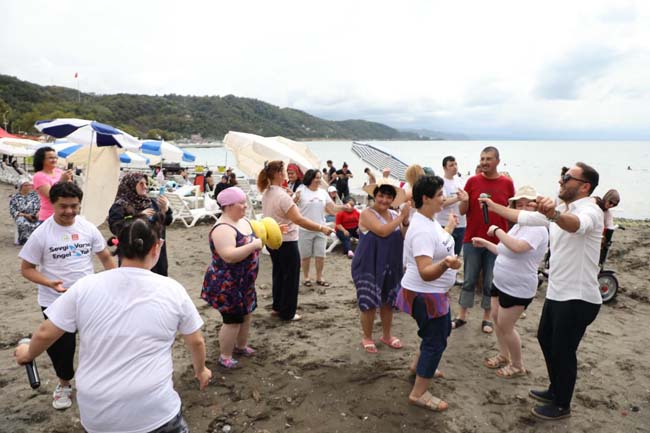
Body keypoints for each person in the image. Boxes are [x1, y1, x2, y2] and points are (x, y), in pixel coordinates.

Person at [16, 215, 211, 432]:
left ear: (118, 247)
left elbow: (46, 333)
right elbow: (196, 340)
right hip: (154, 407)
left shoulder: (85, 286)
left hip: (98, 411)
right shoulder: (172, 289)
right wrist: (201, 369)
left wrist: (28, 354)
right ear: (156, 247)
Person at [479, 162, 603, 420]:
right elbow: (523, 217)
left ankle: (562, 404)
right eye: (562, 176)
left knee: (563, 351)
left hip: (578, 297)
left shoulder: (590, 210)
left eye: (567, 177)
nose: (560, 181)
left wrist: (553, 214)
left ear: (584, 186)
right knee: (545, 339)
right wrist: (492, 205)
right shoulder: (562, 209)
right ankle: (555, 389)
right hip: (557, 293)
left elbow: (576, 225)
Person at [18, 182, 116, 410]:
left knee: (98, 343)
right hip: (55, 301)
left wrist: (116, 282)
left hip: (89, 298)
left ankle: (97, 382)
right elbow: (27, 269)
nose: (70, 211)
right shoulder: (41, 234)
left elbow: (105, 257)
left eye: (74, 206)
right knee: (61, 348)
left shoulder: (88, 228)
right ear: (52, 204)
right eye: (63, 206)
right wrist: (49, 283)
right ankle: (64, 384)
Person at [395, 175, 461, 412]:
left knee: (436, 333)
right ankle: (419, 393)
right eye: (440, 194)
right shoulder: (422, 229)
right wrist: (446, 264)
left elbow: (438, 240)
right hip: (426, 294)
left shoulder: (427, 220)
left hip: (431, 293)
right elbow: (424, 271)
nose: (444, 198)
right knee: (435, 340)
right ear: (426, 198)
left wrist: (449, 228)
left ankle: (418, 367)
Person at [471, 185, 548, 378]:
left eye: (528, 204)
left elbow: (518, 247)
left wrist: (496, 230)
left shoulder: (538, 228)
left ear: (536, 207)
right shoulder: (519, 226)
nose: (523, 208)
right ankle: (503, 355)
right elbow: (503, 250)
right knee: (497, 321)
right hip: (500, 282)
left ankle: (517, 365)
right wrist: (485, 243)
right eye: (519, 204)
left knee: (507, 327)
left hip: (518, 288)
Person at [258, 160, 334, 321]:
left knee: (279, 273)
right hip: (286, 240)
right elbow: (299, 219)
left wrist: (290, 196)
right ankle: (288, 312)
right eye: (284, 171)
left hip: (272, 239)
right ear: (279, 174)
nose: (286, 174)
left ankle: (278, 307)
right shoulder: (281, 196)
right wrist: (321, 228)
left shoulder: (267, 192)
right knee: (290, 277)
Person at [201, 187, 263, 368]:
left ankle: (241, 346)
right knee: (232, 321)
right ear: (228, 206)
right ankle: (225, 356)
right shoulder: (222, 228)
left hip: (245, 282)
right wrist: (254, 245)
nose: (245, 206)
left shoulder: (243, 221)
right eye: (241, 203)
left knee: (247, 314)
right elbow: (228, 255)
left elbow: (259, 235)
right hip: (228, 284)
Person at [455, 146, 514, 333]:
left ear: (498, 161)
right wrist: (465, 200)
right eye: (482, 159)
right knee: (469, 279)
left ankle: (487, 318)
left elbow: (511, 212)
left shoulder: (507, 184)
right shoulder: (472, 181)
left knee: (490, 281)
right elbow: (462, 211)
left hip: (496, 241)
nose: (484, 162)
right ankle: (462, 315)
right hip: (472, 238)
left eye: (489, 159)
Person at [352, 183, 410, 353]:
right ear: (375, 196)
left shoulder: (394, 215)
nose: (384, 200)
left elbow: (405, 235)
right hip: (368, 263)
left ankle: (387, 335)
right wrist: (402, 216)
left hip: (391, 263)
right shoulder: (367, 213)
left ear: (393, 199)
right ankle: (367, 337)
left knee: (388, 300)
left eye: (388, 197)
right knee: (369, 301)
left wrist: (405, 220)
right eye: (381, 196)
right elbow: (382, 231)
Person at [108, 173, 173, 276]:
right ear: (131, 185)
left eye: (146, 183)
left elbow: (167, 221)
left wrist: (165, 209)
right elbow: (116, 227)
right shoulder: (120, 206)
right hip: (133, 255)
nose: (145, 186)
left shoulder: (151, 203)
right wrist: (138, 217)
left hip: (155, 252)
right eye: (141, 184)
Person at [295, 169, 349, 287]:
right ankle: (306, 277)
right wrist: (294, 199)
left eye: (320, 177)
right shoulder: (301, 190)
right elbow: (293, 204)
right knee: (305, 256)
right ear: (310, 178)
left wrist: (344, 207)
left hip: (321, 229)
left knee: (320, 256)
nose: (319, 180)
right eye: (316, 177)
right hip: (305, 229)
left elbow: (332, 208)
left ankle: (319, 277)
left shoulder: (323, 193)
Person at [435, 156, 468, 256]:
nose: (455, 167)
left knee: (456, 254)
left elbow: (466, 198)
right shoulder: (441, 182)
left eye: (455, 164)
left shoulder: (461, 181)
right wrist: (458, 198)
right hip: (444, 223)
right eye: (451, 165)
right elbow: (442, 202)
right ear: (444, 168)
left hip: (461, 223)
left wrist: (462, 199)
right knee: (443, 253)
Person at [32, 147, 73, 222]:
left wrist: (69, 181)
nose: (54, 160)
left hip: (64, 214)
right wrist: (61, 181)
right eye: (50, 158)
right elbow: (51, 195)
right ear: (42, 160)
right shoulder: (39, 176)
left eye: (55, 157)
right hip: (48, 216)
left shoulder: (59, 171)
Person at [9, 178, 40, 245]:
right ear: (20, 187)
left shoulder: (34, 195)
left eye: (29, 185)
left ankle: (37, 240)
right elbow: (13, 211)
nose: (28, 187)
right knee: (22, 221)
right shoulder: (15, 197)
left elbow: (41, 206)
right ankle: (25, 240)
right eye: (25, 185)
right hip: (22, 216)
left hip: (35, 215)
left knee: (43, 221)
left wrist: (38, 213)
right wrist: (26, 215)